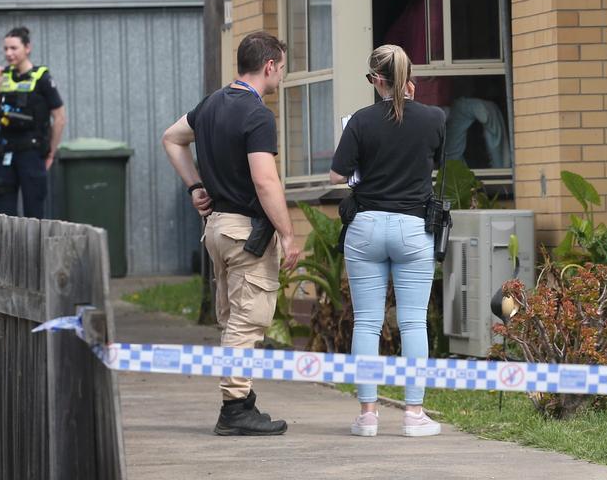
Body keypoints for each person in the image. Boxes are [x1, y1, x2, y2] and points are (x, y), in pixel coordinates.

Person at [161, 31, 302, 436]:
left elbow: (171, 139)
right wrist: (288, 234)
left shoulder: (210, 104)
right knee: (248, 320)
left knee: (232, 318)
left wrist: (195, 186)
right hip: (245, 233)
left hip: (217, 229)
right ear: (270, 65)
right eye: (282, 67)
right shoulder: (258, 115)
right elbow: (265, 181)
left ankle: (243, 399)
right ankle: (235, 409)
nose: (281, 75)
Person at [329, 44, 445, 438]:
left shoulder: (360, 121)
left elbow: (335, 175)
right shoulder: (433, 118)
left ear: (376, 80)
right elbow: (437, 162)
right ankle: (413, 415)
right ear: (407, 78)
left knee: (367, 322)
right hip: (413, 228)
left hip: (366, 227)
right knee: (413, 322)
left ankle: (367, 415)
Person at [0, 26, 66, 218]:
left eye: (14, 48)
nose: (8, 53)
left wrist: (50, 152)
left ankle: (34, 249)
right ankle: (5, 250)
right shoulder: (3, 78)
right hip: (5, 153)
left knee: (34, 213)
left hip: (31, 153)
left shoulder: (42, 78)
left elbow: (59, 117)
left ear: (27, 48)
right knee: (4, 217)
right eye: (5, 49)